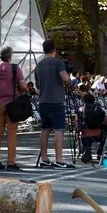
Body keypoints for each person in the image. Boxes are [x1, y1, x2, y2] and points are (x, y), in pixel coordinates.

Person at [0, 46, 27, 172]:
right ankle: (11, 162)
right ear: (10, 56)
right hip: (12, 103)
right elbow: (23, 85)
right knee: (11, 134)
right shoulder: (14, 68)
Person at [35, 39, 75, 169]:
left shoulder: (39, 65)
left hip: (43, 100)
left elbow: (37, 85)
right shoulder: (58, 62)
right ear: (54, 50)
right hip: (56, 100)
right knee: (59, 129)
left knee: (45, 129)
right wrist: (69, 81)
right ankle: (59, 159)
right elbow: (65, 78)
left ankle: (45, 158)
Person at [76, 93, 107, 164]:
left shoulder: (81, 109)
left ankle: (86, 150)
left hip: (85, 133)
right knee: (105, 134)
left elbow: (77, 123)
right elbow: (106, 121)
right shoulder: (100, 109)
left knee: (83, 136)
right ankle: (100, 153)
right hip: (99, 133)